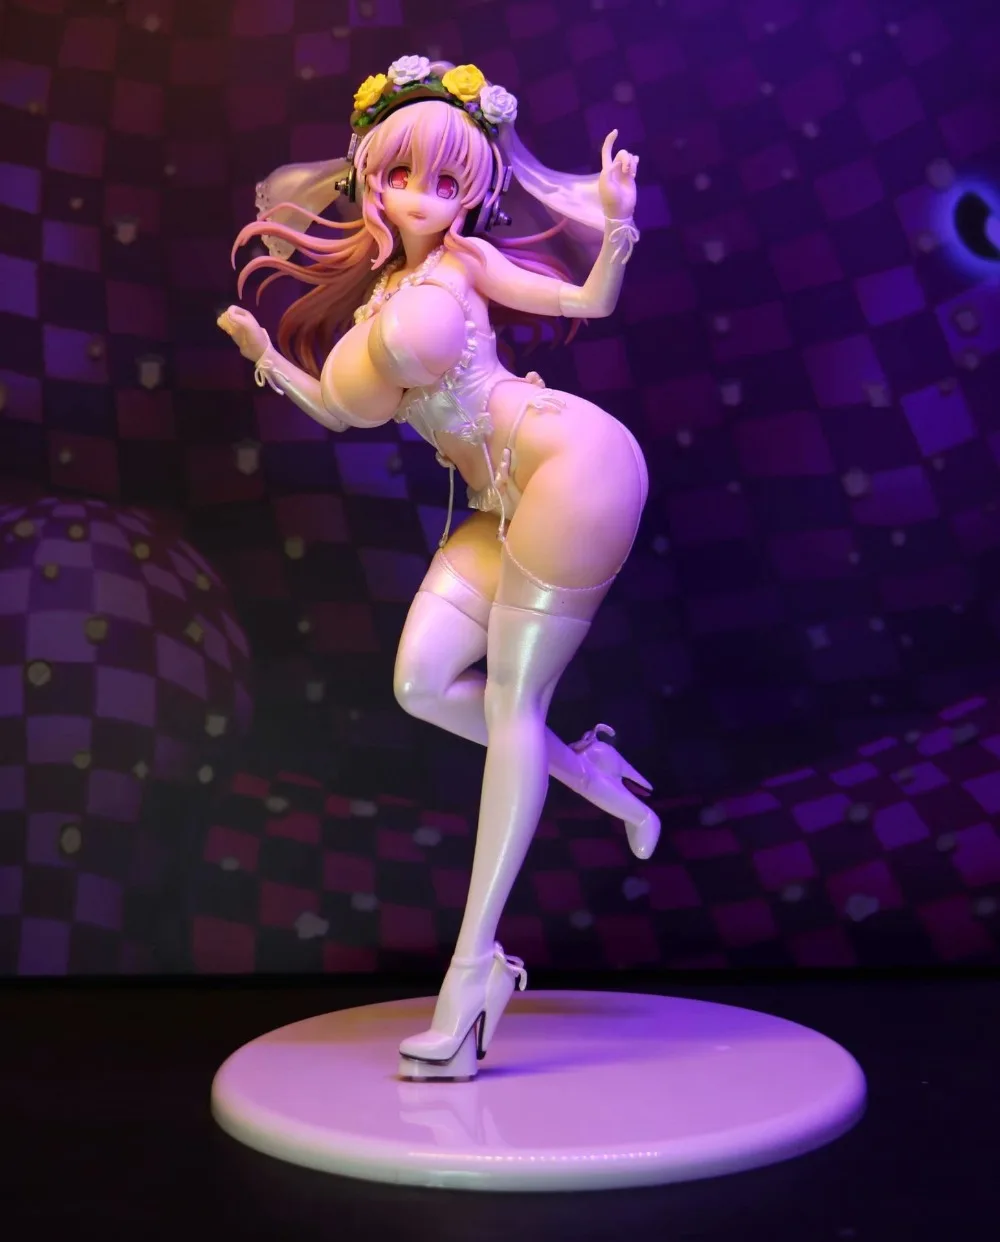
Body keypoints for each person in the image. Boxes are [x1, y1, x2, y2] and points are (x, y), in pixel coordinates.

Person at [217, 58, 657, 1081]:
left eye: (447, 181)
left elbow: (586, 301)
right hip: (499, 503)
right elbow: (340, 411)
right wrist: (264, 355)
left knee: (510, 703)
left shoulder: (464, 266)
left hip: (572, 466)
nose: (420, 197)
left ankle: (472, 978)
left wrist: (617, 226)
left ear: (473, 193)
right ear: (368, 177)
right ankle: (591, 772)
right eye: (401, 175)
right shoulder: (384, 293)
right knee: (420, 683)